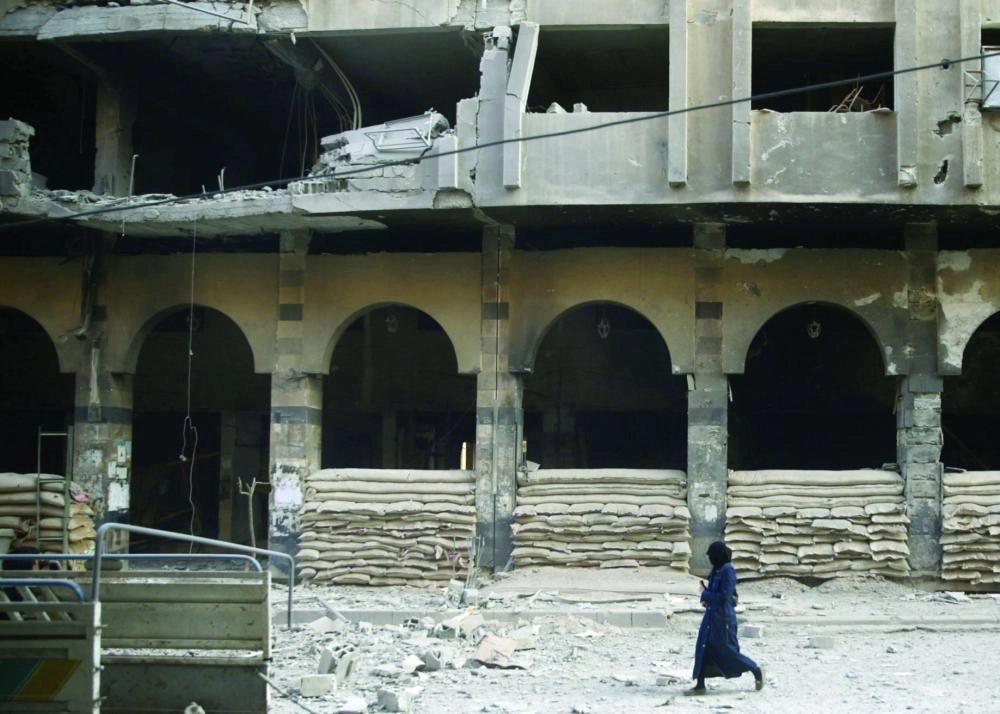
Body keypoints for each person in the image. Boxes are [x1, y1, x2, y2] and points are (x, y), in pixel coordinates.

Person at [687, 540, 764, 695]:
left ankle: (755, 670)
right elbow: (714, 591)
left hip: (723, 620)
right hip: (711, 616)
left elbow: (725, 596)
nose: (711, 559)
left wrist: (705, 593)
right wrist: (706, 598)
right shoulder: (716, 570)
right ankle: (700, 685)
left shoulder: (728, 571)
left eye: (713, 556)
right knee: (704, 648)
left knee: (728, 651)